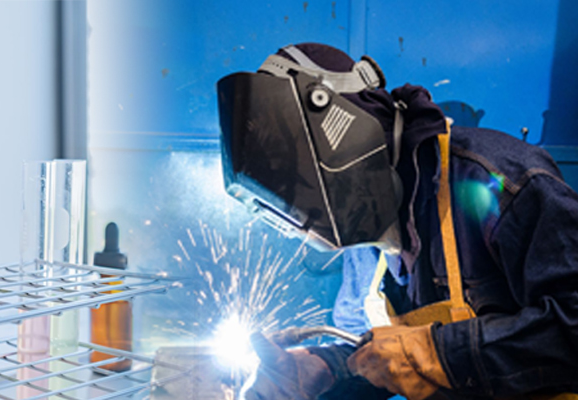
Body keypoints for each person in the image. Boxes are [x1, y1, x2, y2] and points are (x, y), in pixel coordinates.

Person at [219, 43, 578, 399]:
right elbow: (381, 356)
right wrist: (328, 369)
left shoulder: (496, 179)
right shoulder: (360, 232)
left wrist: (440, 353)